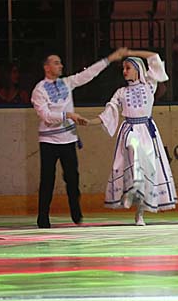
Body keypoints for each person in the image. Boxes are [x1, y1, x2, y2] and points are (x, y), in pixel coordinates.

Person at [31, 48, 127, 228]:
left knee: (73, 179)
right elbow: (45, 115)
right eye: (56, 62)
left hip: (68, 139)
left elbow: (89, 73)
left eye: (60, 62)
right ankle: (42, 217)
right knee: (47, 180)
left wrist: (110, 58)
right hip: (49, 142)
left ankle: (76, 213)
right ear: (46, 67)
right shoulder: (39, 90)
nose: (61, 65)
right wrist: (69, 115)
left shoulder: (66, 83)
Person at [86, 50, 177, 226]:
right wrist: (89, 122)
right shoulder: (120, 92)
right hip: (129, 130)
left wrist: (131, 52)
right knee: (135, 153)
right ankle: (132, 188)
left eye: (128, 68)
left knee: (147, 167)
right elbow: (108, 113)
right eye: (123, 68)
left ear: (137, 69)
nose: (124, 71)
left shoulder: (149, 85)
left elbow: (154, 59)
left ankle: (140, 211)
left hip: (147, 130)